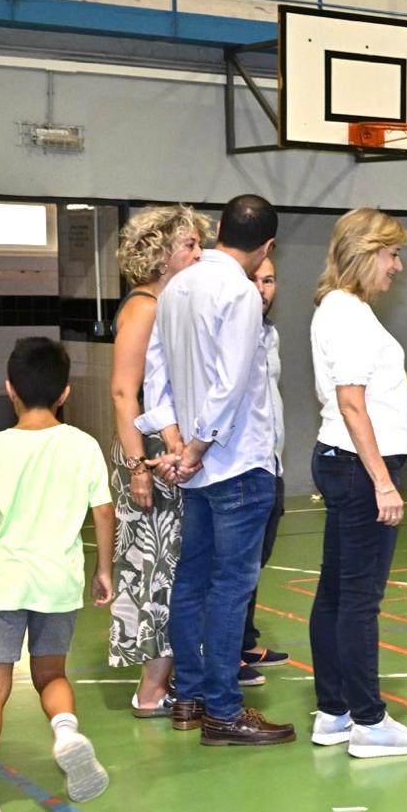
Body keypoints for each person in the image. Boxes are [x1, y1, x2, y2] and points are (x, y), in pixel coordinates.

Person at [144, 193, 293, 746]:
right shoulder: (239, 291)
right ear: (267, 246)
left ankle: (189, 697)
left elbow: (155, 374)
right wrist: (197, 447)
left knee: (192, 581)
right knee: (231, 587)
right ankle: (225, 711)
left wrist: (175, 439)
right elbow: (230, 384)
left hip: (199, 466)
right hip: (236, 463)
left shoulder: (177, 286)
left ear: (218, 231)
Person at [0, 339, 114, 812]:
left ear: (9, 388)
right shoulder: (83, 446)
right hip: (57, 580)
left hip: (4, 580)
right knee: (51, 674)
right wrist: (104, 570)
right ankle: (66, 732)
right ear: (64, 392)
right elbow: (103, 511)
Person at [307, 208, 407, 758]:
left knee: (336, 593)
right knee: (359, 599)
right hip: (359, 468)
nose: (397, 267)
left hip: (343, 462)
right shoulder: (350, 315)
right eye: (392, 254)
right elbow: (351, 402)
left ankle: (334, 711)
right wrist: (383, 481)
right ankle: (368, 721)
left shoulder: (338, 309)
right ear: (365, 253)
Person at [108, 205, 207, 717]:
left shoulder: (170, 305)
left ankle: (166, 681)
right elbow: (125, 392)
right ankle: (150, 692)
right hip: (146, 452)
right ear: (161, 253)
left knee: (172, 571)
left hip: (163, 450)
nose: (198, 253)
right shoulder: (146, 307)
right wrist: (138, 467)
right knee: (156, 574)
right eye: (189, 245)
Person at [238, 255, 291, 678]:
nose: (262, 288)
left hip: (271, 464)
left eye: (269, 280)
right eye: (253, 279)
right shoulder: (231, 332)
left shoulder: (269, 333)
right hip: (241, 468)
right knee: (235, 566)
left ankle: (244, 641)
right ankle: (224, 655)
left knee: (255, 561)